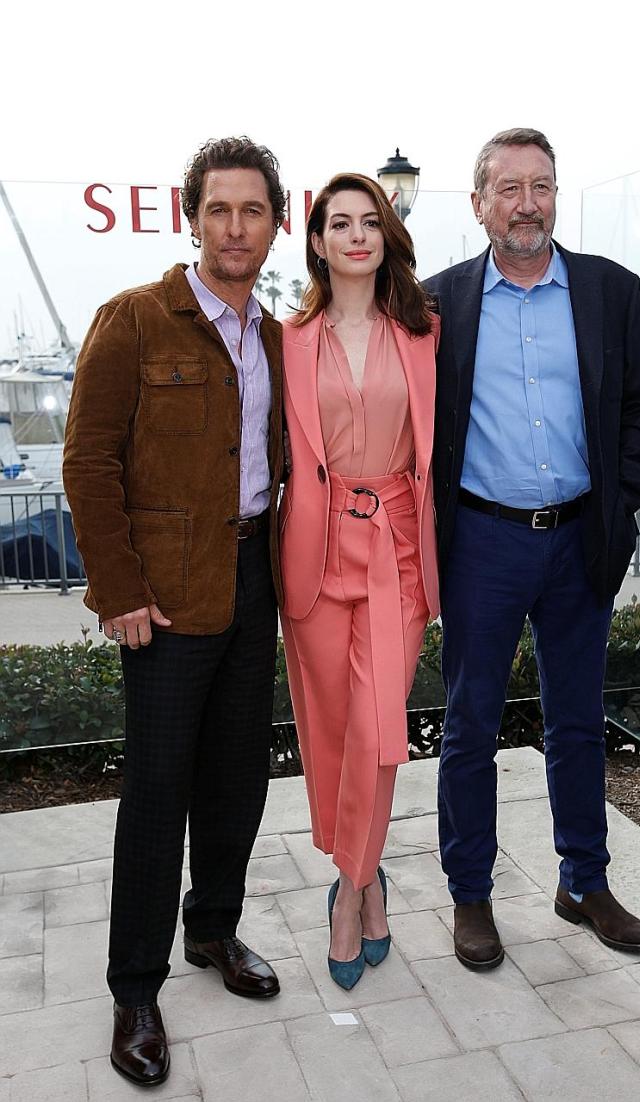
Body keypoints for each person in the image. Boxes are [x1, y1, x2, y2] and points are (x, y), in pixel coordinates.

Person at [63, 137, 286, 1087]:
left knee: (238, 780)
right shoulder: (136, 320)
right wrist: (118, 592)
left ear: (275, 224)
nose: (236, 228)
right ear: (193, 217)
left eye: (255, 211)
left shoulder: (275, 333)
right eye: (220, 210)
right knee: (157, 799)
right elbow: (87, 464)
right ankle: (135, 988)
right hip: (165, 599)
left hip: (254, 582)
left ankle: (215, 934)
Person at [424, 128, 640, 971]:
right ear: (480, 202)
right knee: (469, 725)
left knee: (576, 722)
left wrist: (620, 500)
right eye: (511, 188)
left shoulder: (608, 290)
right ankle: (471, 897)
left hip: (578, 542)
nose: (528, 203)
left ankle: (583, 883)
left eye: (543, 186)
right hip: (480, 543)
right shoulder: (436, 303)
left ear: (556, 194)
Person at [280, 173, 439, 989]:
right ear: (316, 241)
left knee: (380, 734)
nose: (355, 235)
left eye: (368, 221)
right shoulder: (289, 339)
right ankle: (369, 875)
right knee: (333, 733)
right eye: (338, 223)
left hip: (399, 554)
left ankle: (349, 893)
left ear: (386, 235)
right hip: (314, 552)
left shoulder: (424, 334)